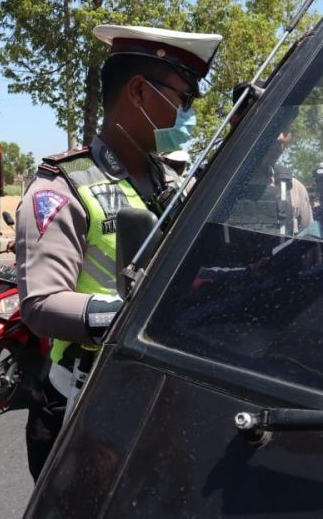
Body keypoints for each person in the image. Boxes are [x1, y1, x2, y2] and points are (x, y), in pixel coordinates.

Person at [16, 24, 222, 480]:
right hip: (85, 402)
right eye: (183, 99)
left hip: (159, 394)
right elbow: (41, 303)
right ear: (138, 92)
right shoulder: (63, 186)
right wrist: (133, 316)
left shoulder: (168, 182)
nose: (187, 115)